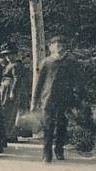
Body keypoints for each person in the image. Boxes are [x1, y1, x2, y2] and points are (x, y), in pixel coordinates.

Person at [33, 35, 81, 163]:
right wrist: (34, 100)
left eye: (61, 44)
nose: (58, 46)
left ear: (65, 46)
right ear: (50, 47)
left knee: (62, 125)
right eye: (55, 44)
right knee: (47, 126)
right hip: (47, 98)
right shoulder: (46, 62)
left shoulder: (71, 61)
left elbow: (77, 80)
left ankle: (59, 149)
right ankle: (46, 153)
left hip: (65, 99)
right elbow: (39, 82)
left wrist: (76, 96)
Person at [0, 43, 22, 143]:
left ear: (15, 54)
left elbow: (17, 79)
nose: (8, 57)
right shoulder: (9, 64)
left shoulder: (16, 65)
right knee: (6, 111)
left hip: (11, 88)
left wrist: (13, 91)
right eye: (6, 55)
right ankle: (7, 133)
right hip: (5, 88)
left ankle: (11, 135)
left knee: (11, 112)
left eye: (11, 54)